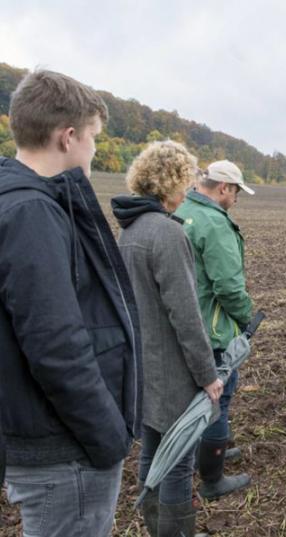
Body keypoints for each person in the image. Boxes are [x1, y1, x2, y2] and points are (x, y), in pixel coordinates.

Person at [0, 69, 142, 537]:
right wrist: (106, 438)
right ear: (68, 137)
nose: (95, 149)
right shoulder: (32, 213)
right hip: (64, 452)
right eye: (94, 138)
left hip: (48, 439)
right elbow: (55, 344)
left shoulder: (19, 201)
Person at [112, 141, 224, 535]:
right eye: (187, 180)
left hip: (142, 368)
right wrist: (208, 374)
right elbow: (186, 315)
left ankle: (156, 528)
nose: (190, 189)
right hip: (173, 371)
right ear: (171, 182)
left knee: (153, 451)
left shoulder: (130, 231)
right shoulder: (167, 234)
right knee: (177, 461)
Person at [174, 159, 255, 500]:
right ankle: (213, 478)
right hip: (213, 327)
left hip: (185, 323)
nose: (236, 198)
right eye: (235, 191)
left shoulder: (181, 211)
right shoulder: (215, 224)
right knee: (218, 400)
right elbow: (228, 287)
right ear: (224, 188)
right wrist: (247, 317)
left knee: (197, 399)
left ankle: (200, 455)